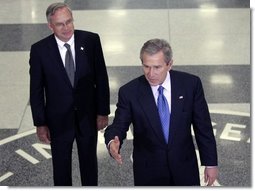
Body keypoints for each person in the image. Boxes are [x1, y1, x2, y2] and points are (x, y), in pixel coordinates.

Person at [104, 39, 218, 186]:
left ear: (169, 64)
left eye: (157, 67)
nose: (151, 73)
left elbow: (203, 127)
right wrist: (112, 141)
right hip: (148, 172)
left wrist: (211, 163)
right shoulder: (129, 92)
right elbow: (119, 125)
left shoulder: (190, 85)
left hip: (184, 168)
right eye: (146, 66)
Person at [29, 2, 110, 186]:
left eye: (69, 22)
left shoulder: (90, 41)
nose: (66, 28)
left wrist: (103, 112)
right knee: (61, 167)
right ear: (50, 26)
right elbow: (36, 90)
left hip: (87, 117)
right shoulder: (40, 50)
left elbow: (102, 78)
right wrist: (40, 123)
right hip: (58, 120)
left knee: (90, 164)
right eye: (60, 24)